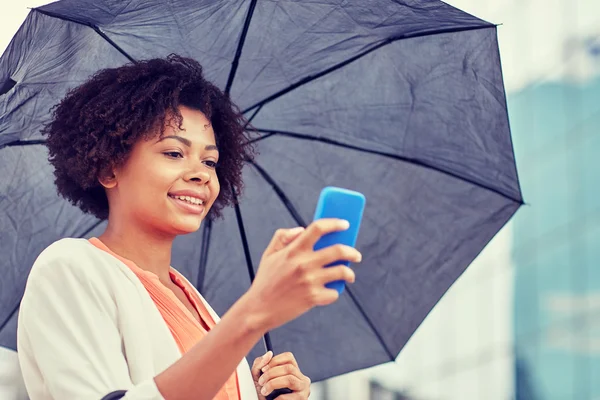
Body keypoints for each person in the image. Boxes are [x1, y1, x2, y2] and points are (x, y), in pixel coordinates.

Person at [16, 54, 362, 400]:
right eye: (173, 153)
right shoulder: (68, 267)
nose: (201, 173)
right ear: (108, 169)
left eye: (210, 161)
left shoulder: (197, 305)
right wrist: (253, 312)